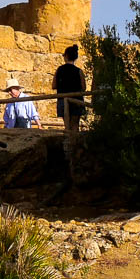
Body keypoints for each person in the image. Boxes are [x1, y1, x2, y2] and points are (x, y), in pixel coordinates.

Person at [53, 44, 87, 181]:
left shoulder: (59, 70)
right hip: (76, 100)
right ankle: (76, 148)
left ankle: (69, 150)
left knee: (67, 126)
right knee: (75, 125)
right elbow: (84, 87)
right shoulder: (79, 71)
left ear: (66, 56)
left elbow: (54, 85)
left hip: (63, 100)